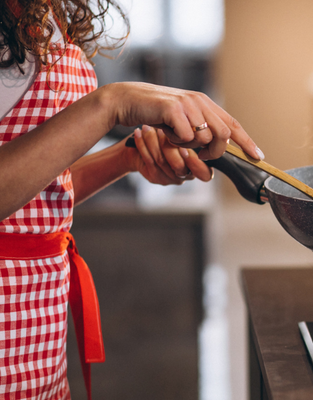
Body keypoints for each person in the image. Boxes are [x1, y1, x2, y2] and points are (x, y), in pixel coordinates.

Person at [0, 1, 263, 399]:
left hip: (38, 344)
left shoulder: (42, 12)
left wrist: (125, 156)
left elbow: (31, 203)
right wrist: (109, 105)